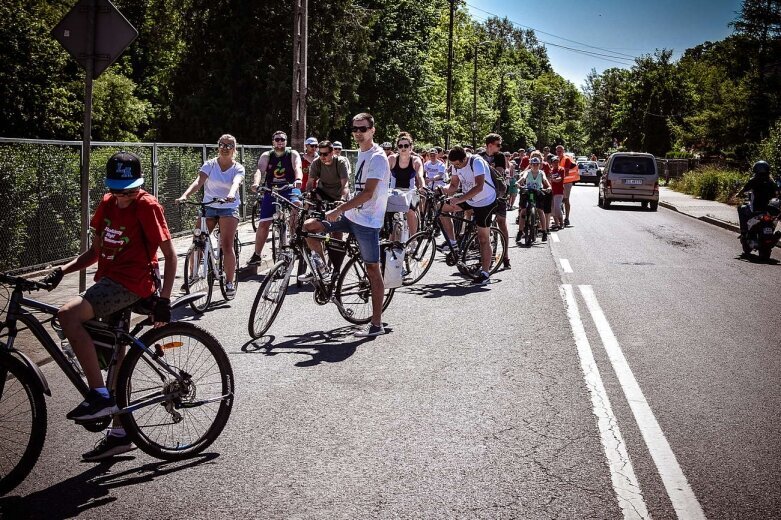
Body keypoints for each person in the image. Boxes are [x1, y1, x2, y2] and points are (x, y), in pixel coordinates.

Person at [41, 151, 176, 461]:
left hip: (132, 284)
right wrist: (62, 270)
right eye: (116, 189)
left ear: (139, 185)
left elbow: (170, 255)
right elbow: (94, 253)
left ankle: (99, 396)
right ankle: (119, 434)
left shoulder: (147, 206)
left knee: (67, 315)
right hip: (108, 281)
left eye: (128, 189)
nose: (121, 195)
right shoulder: (107, 204)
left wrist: (164, 301)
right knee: (116, 360)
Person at [303, 113, 391, 337]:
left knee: (372, 269)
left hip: (368, 222)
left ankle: (376, 324)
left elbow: (369, 193)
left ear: (373, 129)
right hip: (351, 216)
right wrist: (343, 203)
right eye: (355, 129)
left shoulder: (378, 157)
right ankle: (323, 269)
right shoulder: (362, 152)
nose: (358, 133)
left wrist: (339, 209)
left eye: (363, 129)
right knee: (309, 227)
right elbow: (356, 189)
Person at [177, 134, 244, 297]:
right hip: (209, 206)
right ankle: (192, 276)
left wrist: (231, 193)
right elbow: (198, 181)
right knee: (197, 239)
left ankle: (229, 281)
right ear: (218, 147)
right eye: (222, 145)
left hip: (228, 207)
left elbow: (236, 182)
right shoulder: (210, 165)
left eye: (229, 146)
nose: (225, 148)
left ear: (234, 149)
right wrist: (185, 195)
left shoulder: (238, 167)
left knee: (226, 245)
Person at [440, 146, 498, 285]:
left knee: (483, 238)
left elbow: (479, 187)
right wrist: (440, 189)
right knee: (441, 208)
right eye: (453, 165)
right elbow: (454, 185)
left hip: (485, 201)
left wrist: (459, 199)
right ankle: (453, 243)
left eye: (458, 164)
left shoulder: (477, 162)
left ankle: (485, 274)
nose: (456, 167)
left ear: (464, 158)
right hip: (469, 198)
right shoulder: (456, 164)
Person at [247, 131, 303, 265]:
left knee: (296, 204)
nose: (280, 142)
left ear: (286, 141)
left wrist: (299, 179)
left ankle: (294, 239)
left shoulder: (292, 154)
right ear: (273, 142)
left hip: (289, 187)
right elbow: (260, 170)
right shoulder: (267, 155)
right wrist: (256, 183)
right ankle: (257, 255)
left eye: (282, 139)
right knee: (264, 223)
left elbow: (297, 167)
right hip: (272, 189)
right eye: (277, 139)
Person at [479, 133, 511, 269]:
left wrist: (483, 168)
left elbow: (498, 172)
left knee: (501, 222)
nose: (500, 147)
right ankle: (482, 254)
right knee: (479, 223)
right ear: (490, 145)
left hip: (499, 191)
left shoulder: (500, 156)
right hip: (483, 192)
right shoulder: (479, 155)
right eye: (498, 145)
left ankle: (506, 255)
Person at [388, 132, 425, 237]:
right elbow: (383, 175)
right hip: (394, 192)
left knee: (410, 212)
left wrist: (422, 186)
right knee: (386, 213)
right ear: (397, 148)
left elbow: (420, 176)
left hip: (410, 192)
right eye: (400, 146)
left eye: (406, 146)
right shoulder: (392, 159)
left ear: (411, 147)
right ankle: (389, 239)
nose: (403, 148)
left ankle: (413, 239)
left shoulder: (415, 160)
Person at [737, 160, 779, 234]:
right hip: (769, 209)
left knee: (741, 208)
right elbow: (777, 193)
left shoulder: (753, 180)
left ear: (755, 170)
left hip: (756, 208)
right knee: (774, 217)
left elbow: (744, 189)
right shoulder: (771, 182)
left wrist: (738, 194)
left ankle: (743, 230)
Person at [518, 156, 552, 242]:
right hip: (528, 191)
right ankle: (520, 231)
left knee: (540, 210)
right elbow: (523, 178)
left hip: (538, 192)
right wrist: (518, 182)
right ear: (530, 165)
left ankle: (544, 231)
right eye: (533, 164)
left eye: (537, 164)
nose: (535, 166)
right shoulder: (527, 172)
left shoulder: (541, 173)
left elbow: (545, 180)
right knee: (523, 210)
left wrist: (549, 186)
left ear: (539, 165)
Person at [556, 145, 577, 227]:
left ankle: (567, 218)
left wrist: (558, 178)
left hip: (566, 182)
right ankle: (559, 216)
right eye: (557, 151)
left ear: (563, 151)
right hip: (558, 181)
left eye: (560, 151)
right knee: (558, 199)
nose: (559, 152)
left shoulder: (566, 159)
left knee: (565, 199)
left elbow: (567, 172)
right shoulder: (556, 159)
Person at [549, 156, 565, 230]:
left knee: (557, 208)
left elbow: (559, 179)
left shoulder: (561, 169)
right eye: (554, 162)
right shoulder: (551, 170)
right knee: (552, 208)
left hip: (559, 191)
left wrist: (553, 180)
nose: (556, 163)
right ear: (551, 163)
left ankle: (561, 223)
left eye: (557, 162)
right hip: (551, 191)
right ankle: (556, 223)